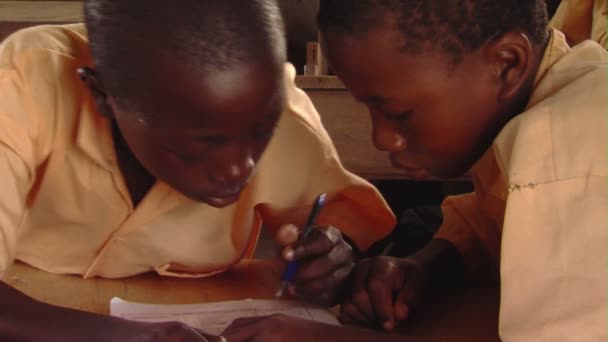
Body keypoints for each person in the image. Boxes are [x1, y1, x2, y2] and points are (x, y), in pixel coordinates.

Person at [0, 0, 395, 340]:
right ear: (104, 96)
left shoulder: (279, 113)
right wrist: (115, 337)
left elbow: (341, 231)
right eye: (199, 146)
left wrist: (331, 259)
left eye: (261, 134)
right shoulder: (24, 81)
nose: (240, 168)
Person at [222, 0, 607, 341]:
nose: (382, 139)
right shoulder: (543, 101)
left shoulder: (562, 150)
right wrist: (423, 268)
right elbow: (493, 220)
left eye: (398, 113)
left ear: (507, 64)